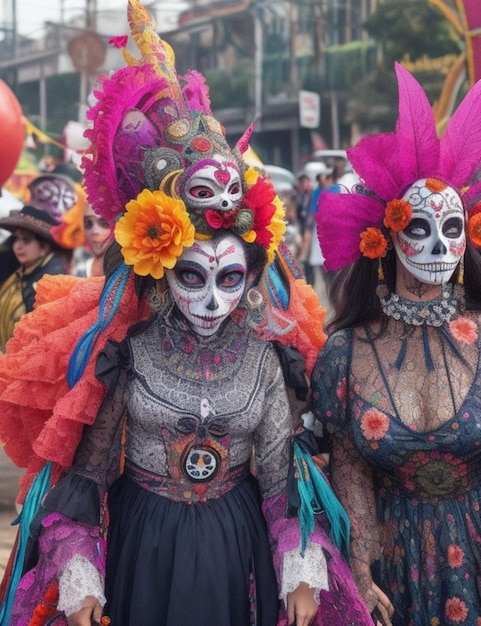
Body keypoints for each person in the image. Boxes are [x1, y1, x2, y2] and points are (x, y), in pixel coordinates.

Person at [0, 2, 373, 625]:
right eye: (191, 276)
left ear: (252, 276)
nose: (210, 298)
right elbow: (87, 480)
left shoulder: (264, 359)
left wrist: (299, 568)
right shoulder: (131, 352)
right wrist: (83, 574)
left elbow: (282, 483)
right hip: (143, 547)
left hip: (236, 549)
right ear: (161, 268)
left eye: (229, 278)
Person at [310, 62, 481, 626]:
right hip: (391, 567)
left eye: (451, 227)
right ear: (385, 235)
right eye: (419, 227)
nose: (437, 243)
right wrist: (358, 574)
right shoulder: (346, 353)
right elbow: (350, 470)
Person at [0, 204, 69, 352]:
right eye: (16, 239)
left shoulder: (53, 281)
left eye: (26, 240)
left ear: (44, 247)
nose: (17, 246)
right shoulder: (24, 267)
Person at [73, 205, 113, 278]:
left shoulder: (131, 269)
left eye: (104, 223)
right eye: (88, 223)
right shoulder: (81, 271)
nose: (94, 231)